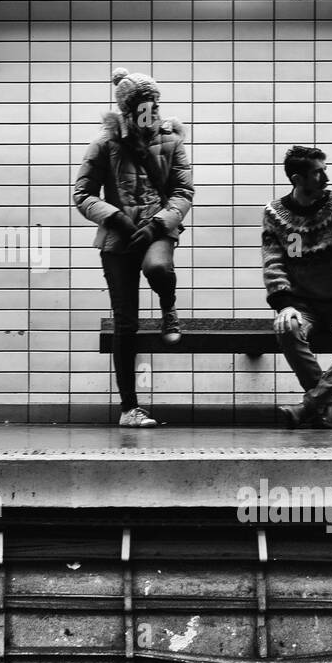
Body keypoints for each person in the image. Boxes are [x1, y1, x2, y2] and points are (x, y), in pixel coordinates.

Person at [74, 68, 194, 427]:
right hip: (118, 238)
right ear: (127, 109)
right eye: (142, 105)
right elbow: (82, 194)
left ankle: (168, 307)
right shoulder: (105, 144)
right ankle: (129, 408)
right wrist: (117, 219)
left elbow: (183, 192)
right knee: (125, 323)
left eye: (153, 104)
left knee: (158, 269)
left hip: (157, 228)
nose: (150, 112)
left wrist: (159, 223)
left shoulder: (171, 140)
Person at [261, 145, 332, 428]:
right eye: (318, 173)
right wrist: (284, 304)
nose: (325, 178)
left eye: (325, 171)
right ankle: (326, 407)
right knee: (287, 328)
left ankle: (310, 404)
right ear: (297, 178)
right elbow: (273, 262)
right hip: (302, 306)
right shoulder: (275, 214)